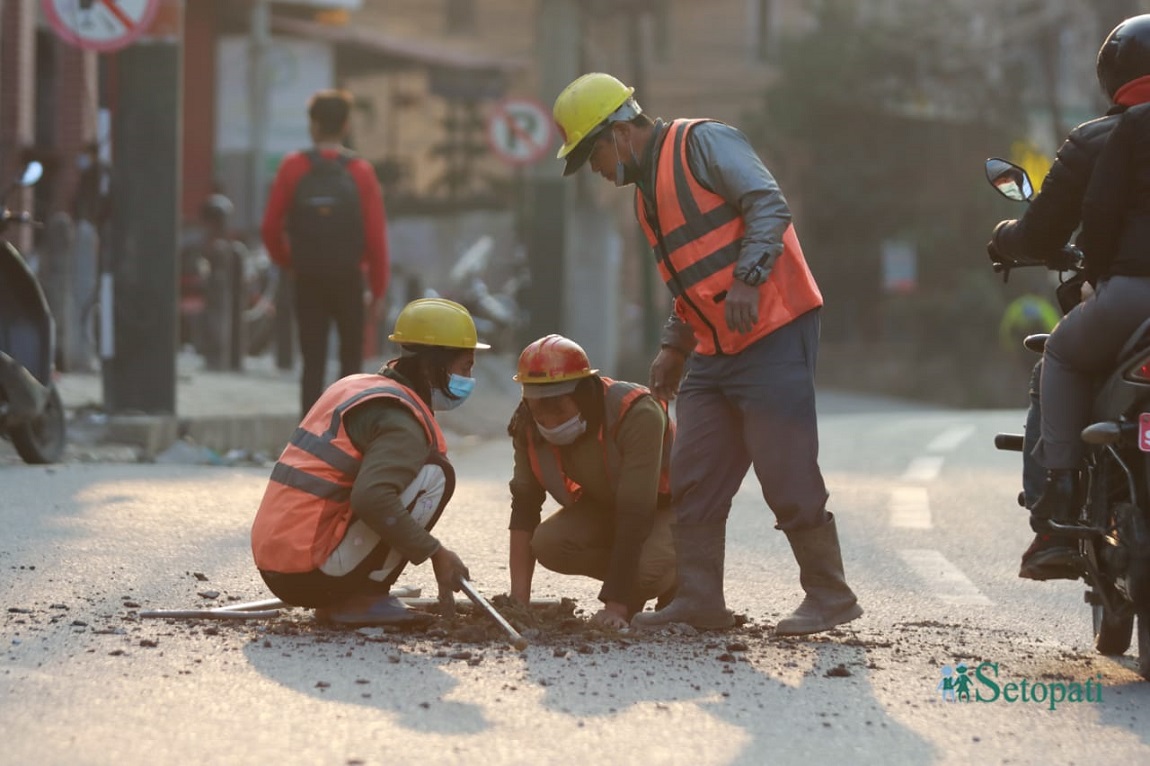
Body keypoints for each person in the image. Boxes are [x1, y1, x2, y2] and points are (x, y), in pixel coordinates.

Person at [552, 73, 861, 635]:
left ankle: (829, 594)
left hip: (773, 327)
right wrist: (675, 344)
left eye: (592, 153)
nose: (594, 169)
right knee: (693, 475)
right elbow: (691, 280)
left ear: (619, 132)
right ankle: (699, 600)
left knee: (784, 468)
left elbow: (768, 203)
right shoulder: (647, 198)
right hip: (715, 349)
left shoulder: (702, 142)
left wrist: (749, 278)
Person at [988, 13, 1150, 580]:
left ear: (1112, 75)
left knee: (1058, 357)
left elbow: (1045, 232)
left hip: (1126, 298)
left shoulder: (1098, 139)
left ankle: (1055, 513)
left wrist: (1006, 240)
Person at [250, 298, 486, 626]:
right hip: (309, 572)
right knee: (436, 474)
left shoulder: (357, 386)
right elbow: (371, 498)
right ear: (436, 365)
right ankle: (364, 599)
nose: (469, 378)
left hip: (277, 563)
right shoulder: (401, 420)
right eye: (465, 367)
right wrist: (435, 553)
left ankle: (342, 597)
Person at [506, 334, 677, 629]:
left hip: (668, 508)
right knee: (548, 544)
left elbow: (636, 513)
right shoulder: (527, 425)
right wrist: (518, 604)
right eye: (538, 410)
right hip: (607, 505)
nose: (549, 422)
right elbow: (524, 507)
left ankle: (674, 576)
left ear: (584, 395)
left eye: (558, 409)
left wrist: (615, 608)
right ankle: (630, 579)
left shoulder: (636, 414)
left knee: (648, 572)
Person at [261, 89, 390, 417]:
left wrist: (290, 262)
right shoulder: (360, 171)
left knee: (312, 361)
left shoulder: (293, 167)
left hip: (308, 278)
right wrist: (377, 289)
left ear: (313, 126)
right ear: (346, 125)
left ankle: (309, 436)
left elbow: (270, 227)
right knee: (351, 364)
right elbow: (376, 237)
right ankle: (348, 433)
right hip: (349, 278)